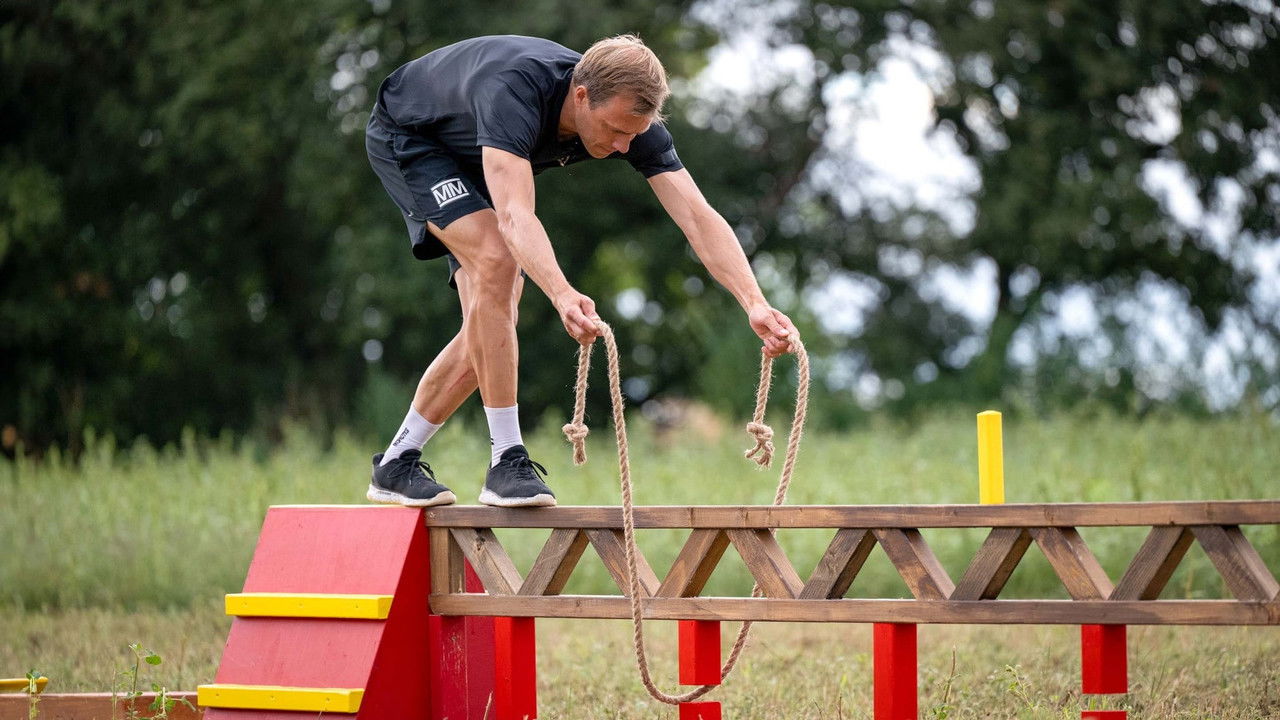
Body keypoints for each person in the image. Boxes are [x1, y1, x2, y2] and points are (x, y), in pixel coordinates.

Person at [364, 33, 798, 508]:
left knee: (492, 321)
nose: (621, 146)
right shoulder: (516, 90)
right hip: (413, 136)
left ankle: (397, 461)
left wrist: (754, 302)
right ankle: (507, 458)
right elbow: (514, 217)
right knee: (499, 261)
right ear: (581, 95)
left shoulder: (632, 122)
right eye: (614, 130)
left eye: (633, 135)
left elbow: (697, 215)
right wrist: (563, 293)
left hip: (487, 155)